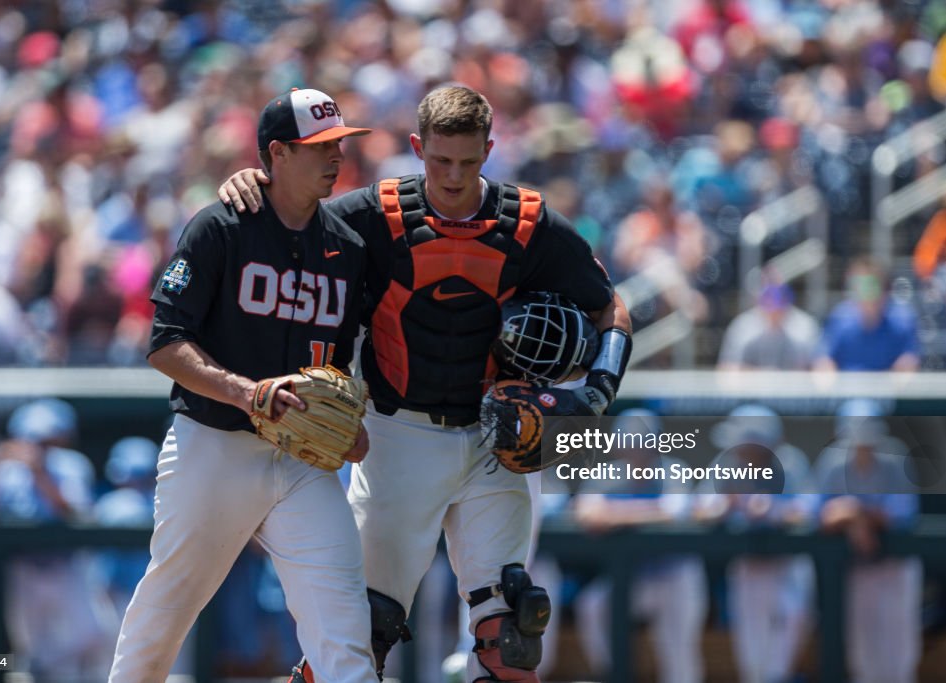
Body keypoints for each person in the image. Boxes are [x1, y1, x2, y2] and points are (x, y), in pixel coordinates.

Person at [218, 84, 632, 683]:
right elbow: (290, 233)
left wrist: (594, 394)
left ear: (489, 149)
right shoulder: (371, 215)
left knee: (511, 630)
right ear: (418, 147)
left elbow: (610, 308)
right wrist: (253, 185)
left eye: (468, 161)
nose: (454, 175)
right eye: (441, 160)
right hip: (398, 436)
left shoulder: (529, 223)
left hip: (499, 438)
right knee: (358, 633)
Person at [108, 88, 379, 683]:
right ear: (277, 154)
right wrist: (243, 392)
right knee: (164, 617)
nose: (335, 157)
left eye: (339, 144)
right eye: (320, 147)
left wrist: (351, 419)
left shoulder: (349, 245)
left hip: (303, 457)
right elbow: (164, 343)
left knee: (343, 629)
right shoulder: (221, 226)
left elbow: (345, 359)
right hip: (215, 443)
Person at [0, 398, 116, 680]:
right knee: (29, 645)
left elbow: (74, 513)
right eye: (34, 438)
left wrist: (39, 472)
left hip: (67, 565)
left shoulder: (71, 465)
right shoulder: (6, 469)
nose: (38, 445)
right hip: (22, 567)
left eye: (46, 439)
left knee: (89, 635)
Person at [573, 409, 707, 683]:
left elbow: (672, 513)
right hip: (634, 578)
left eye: (641, 442)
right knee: (592, 606)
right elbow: (585, 513)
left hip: (676, 575)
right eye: (629, 442)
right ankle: (612, 675)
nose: (634, 449)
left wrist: (616, 515)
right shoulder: (610, 472)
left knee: (679, 654)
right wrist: (638, 513)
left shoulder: (674, 469)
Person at [698, 405, 817, 683]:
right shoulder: (727, 462)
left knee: (791, 627)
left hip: (787, 564)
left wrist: (774, 509)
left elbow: (809, 510)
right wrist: (725, 505)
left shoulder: (789, 462)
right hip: (748, 563)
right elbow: (700, 509)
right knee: (752, 653)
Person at [815, 400, 921, 683]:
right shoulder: (832, 461)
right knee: (863, 650)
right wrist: (853, 516)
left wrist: (854, 512)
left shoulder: (895, 457)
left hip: (895, 567)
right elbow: (820, 514)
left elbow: (902, 513)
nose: (862, 444)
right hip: (857, 566)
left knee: (899, 651)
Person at [815, 258, 920, 372]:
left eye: (871, 286)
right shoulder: (840, 317)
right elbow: (823, 360)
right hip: (846, 388)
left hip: (886, 388)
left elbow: (908, 361)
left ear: (884, 290)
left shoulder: (902, 320)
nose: (867, 295)